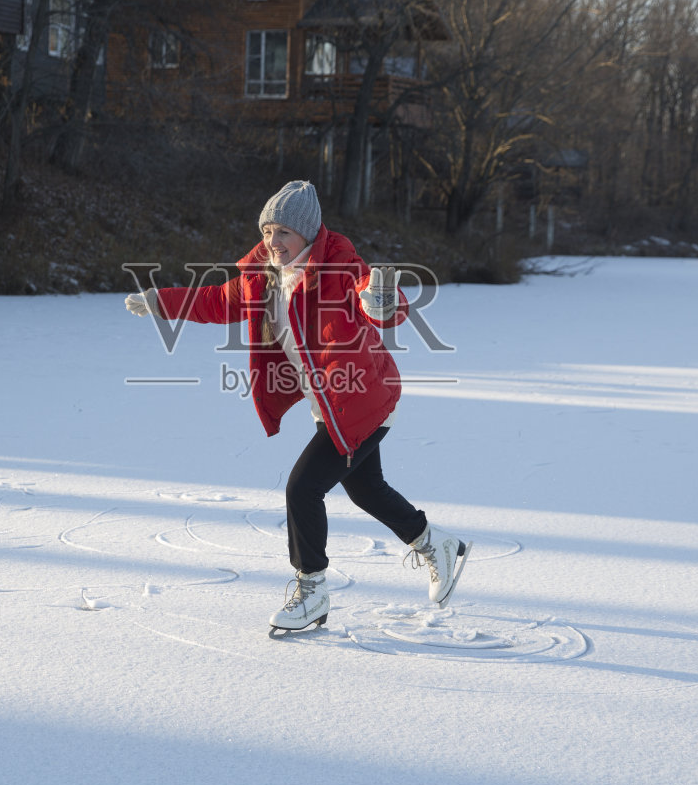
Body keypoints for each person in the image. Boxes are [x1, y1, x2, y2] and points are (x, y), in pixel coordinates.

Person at [125, 180, 470, 635]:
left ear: (307, 234)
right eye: (268, 231)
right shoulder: (261, 276)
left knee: (302, 488)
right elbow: (214, 300)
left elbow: (380, 302)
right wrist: (160, 302)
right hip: (331, 403)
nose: (273, 242)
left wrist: (385, 302)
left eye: (283, 232)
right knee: (366, 489)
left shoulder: (340, 267)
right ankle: (436, 545)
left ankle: (312, 593)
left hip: (361, 400)